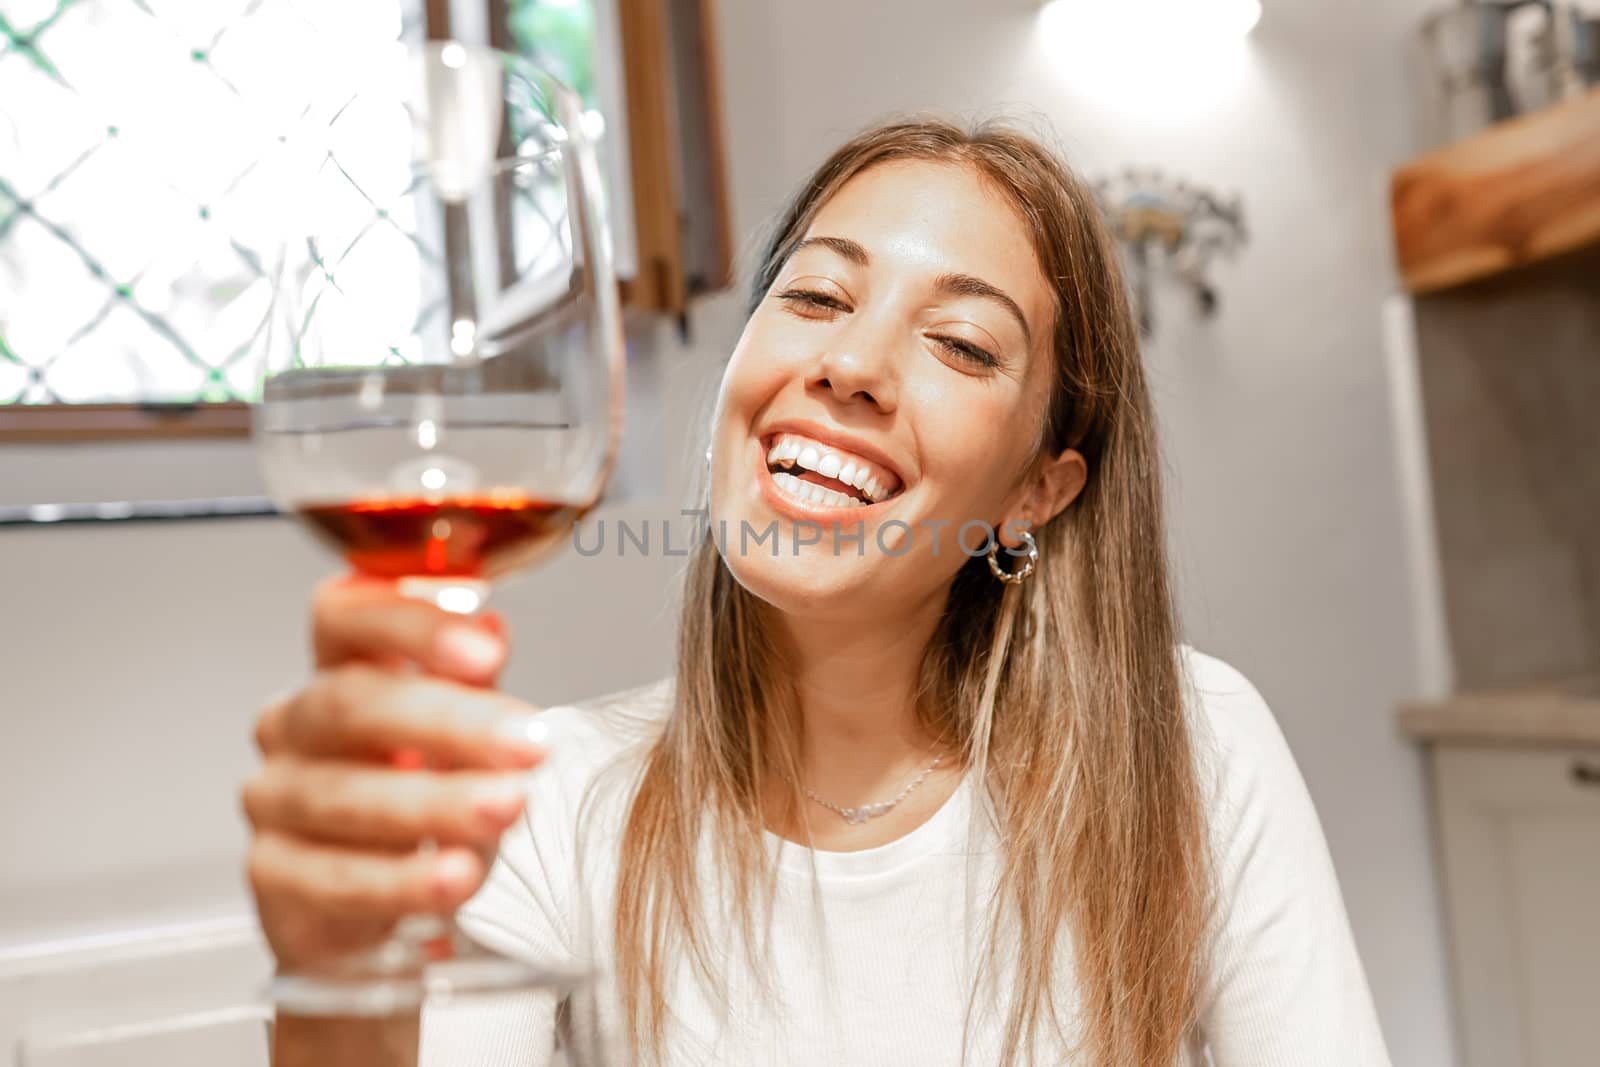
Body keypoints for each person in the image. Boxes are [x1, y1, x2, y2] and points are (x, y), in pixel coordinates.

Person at [244, 119, 1392, 1066]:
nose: (848, 363)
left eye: (958, 342)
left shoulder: (1192, 746)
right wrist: (339, 986)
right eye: (813, 296)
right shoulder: (532, 806)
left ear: (1037, 491)